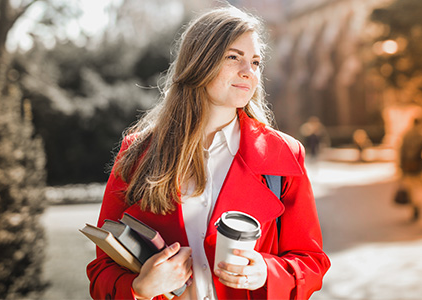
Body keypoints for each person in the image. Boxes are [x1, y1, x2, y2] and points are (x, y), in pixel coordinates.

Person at [86, 6, 330, 300]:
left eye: (255, 62)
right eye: (233, 57)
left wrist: (266, 272)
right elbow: (102, 269)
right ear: (199, 62)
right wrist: (139, 289)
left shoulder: (284, 154)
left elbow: (311, 262)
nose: (248, 72)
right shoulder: (137, 153)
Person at [398, 117, 422, 221]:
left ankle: (414, 206)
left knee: (410, 187)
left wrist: (401, 167)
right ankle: (418, 204)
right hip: (419, 166)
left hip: (408, 166)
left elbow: (401, 152)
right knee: (420, 187)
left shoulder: (406, 134)